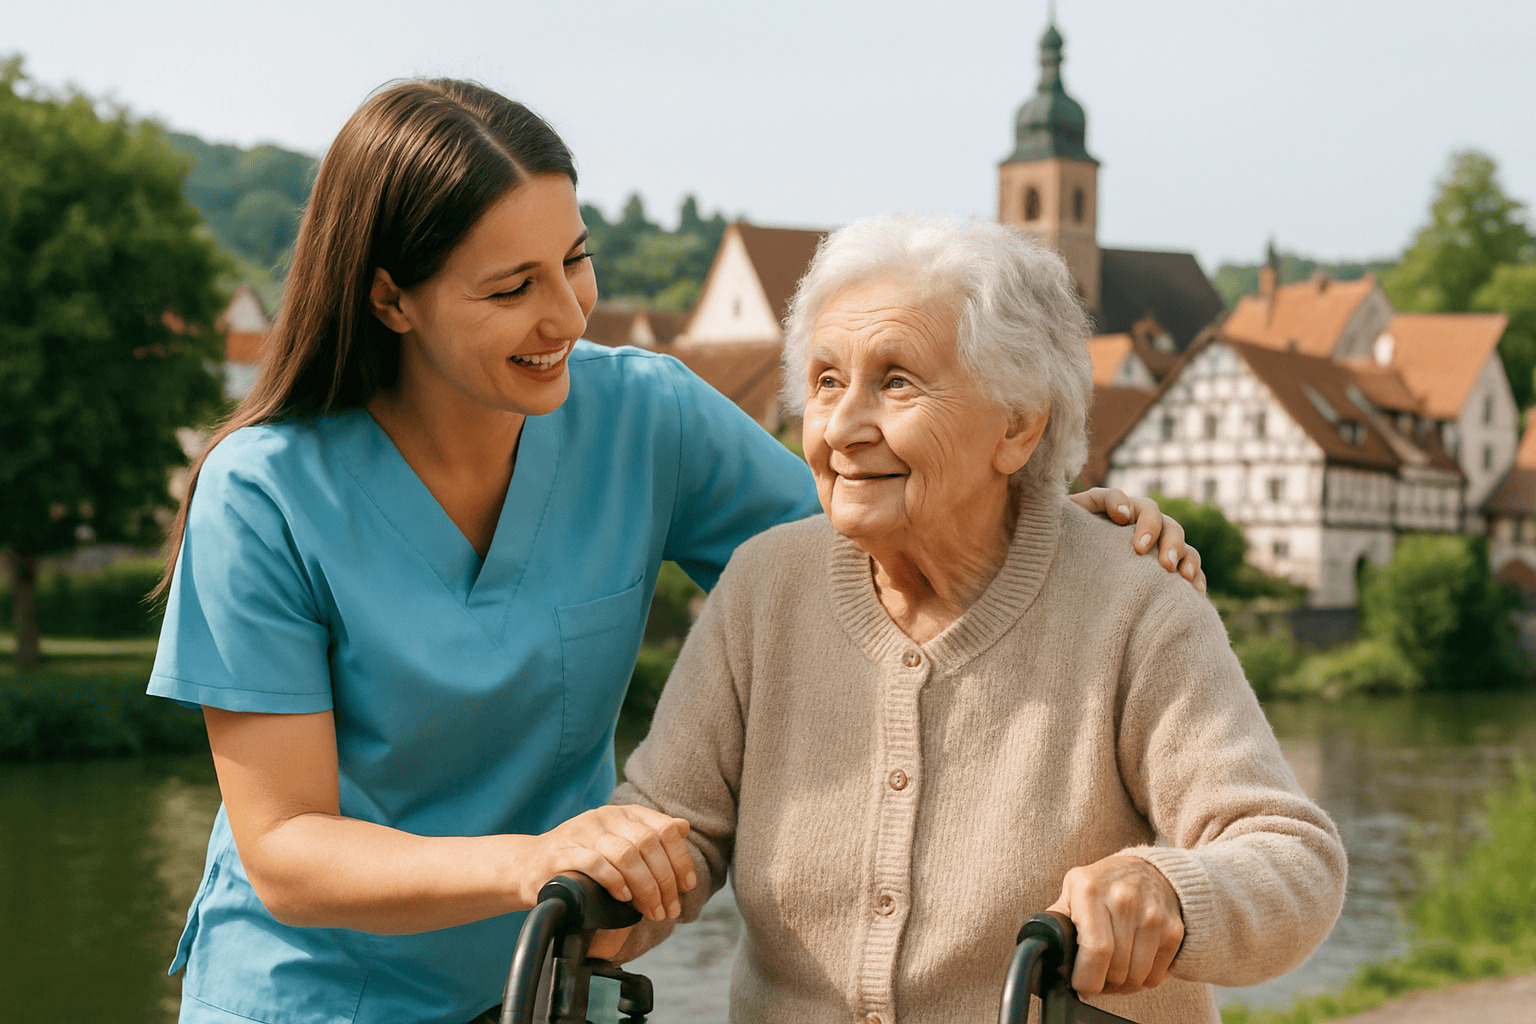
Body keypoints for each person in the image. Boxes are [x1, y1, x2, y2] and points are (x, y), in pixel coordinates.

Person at [147, 81, 1201, 1024]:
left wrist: (1061, 518)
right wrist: (539, 857)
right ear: (391, 299)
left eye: (574, 260)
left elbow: (884, 546)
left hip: (550, 975)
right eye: (510, 289)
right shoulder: (265, 491)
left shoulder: (640, 418)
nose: (564, 315)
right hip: (310, 997)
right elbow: (286, 849)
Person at [610, 214, 1348, 1024]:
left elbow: (1293, 860)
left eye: (896, 382)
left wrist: (1171, 889)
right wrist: (608, 886)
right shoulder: (763, 585)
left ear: (1018, 425)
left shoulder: (1133, 602)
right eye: (825, 381)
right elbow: (667, 831)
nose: (844, 427)